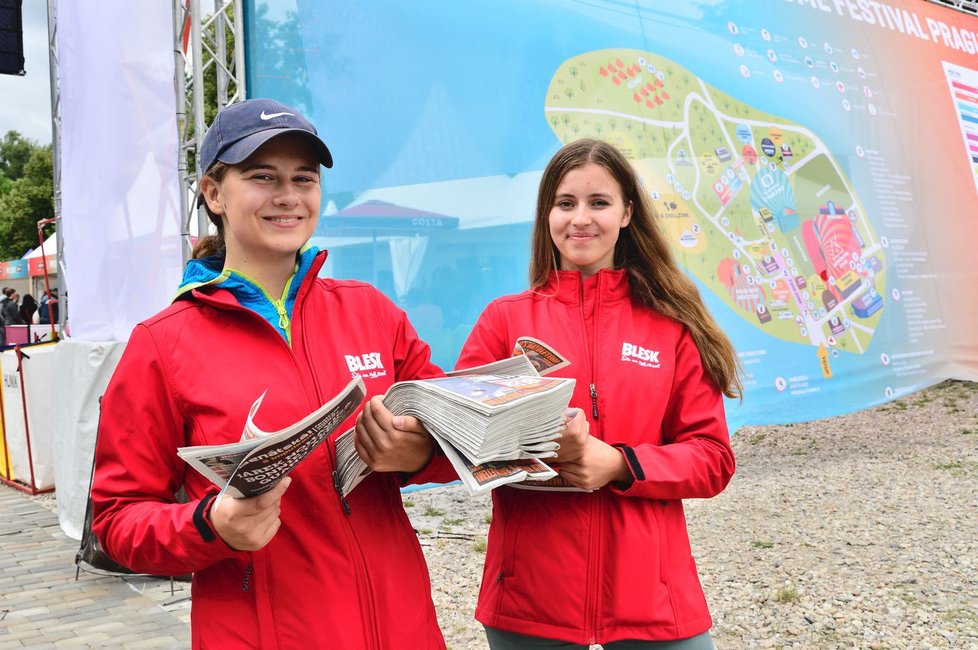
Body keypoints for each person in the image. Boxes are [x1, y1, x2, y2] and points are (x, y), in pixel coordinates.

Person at [91, 98, 455, 649]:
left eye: (303, 178)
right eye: (263, 177)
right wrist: (211, 525)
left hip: (402, 628)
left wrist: (420, 455)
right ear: (214, 193)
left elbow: (460, 441)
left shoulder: (371, 312)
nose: (287, 196)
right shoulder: (162, 345)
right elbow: (116, 521)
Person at [456, 138, 742, 649]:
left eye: (599, 203)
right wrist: (534, 448)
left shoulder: (670, 326)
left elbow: (713, 458)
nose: (580, 219)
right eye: (565, 204)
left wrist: (620, 464)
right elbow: (462, 439)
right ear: (547, 215)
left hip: (652, 600)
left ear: (628, 213)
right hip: (529, 600)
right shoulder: (505, 320)